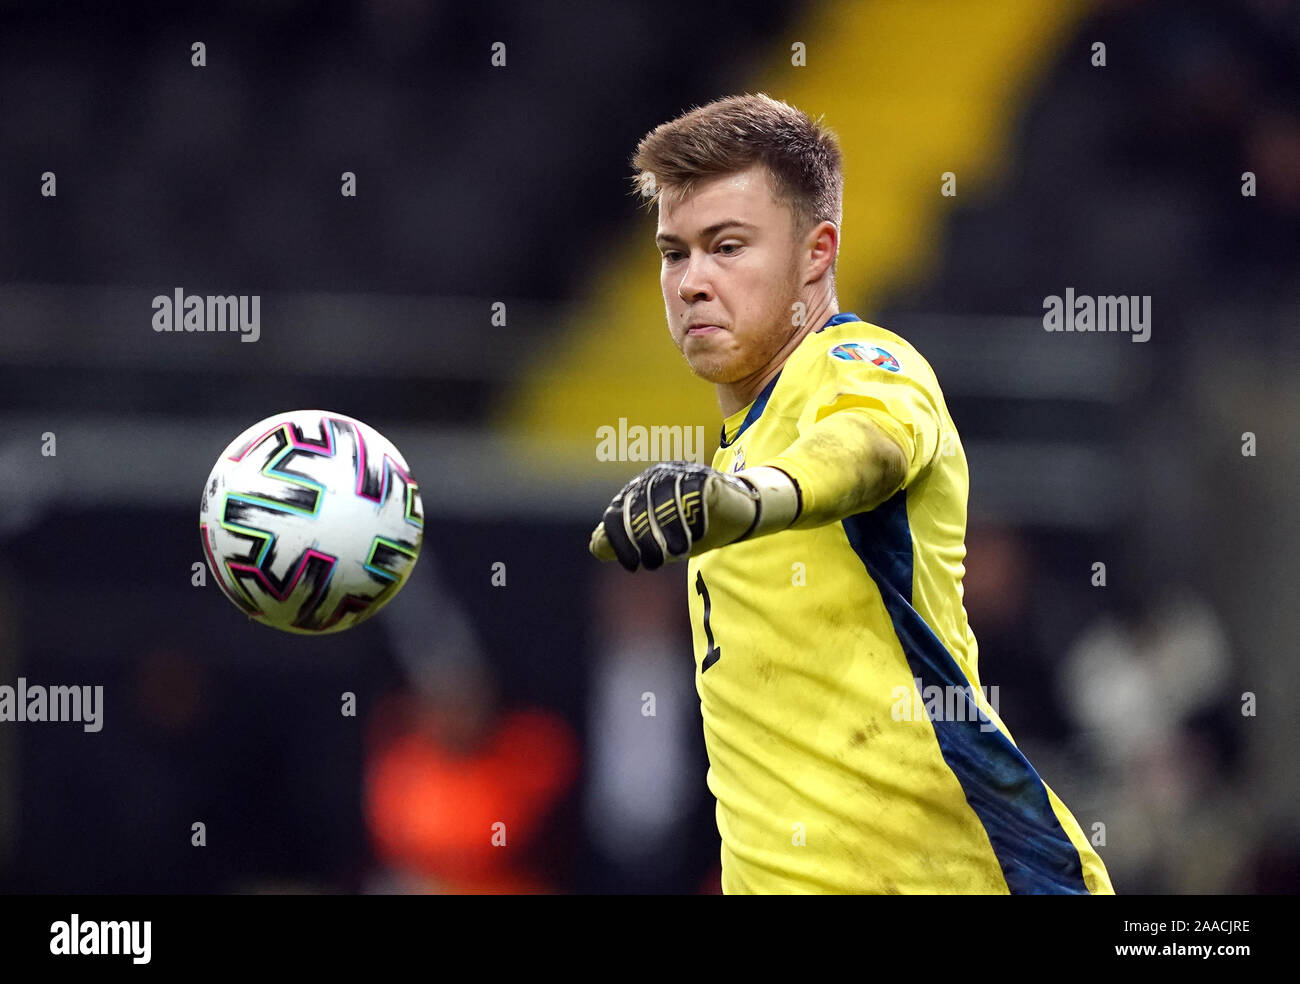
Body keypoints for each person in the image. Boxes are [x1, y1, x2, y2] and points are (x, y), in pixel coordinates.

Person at [589, 93, 1113, 895]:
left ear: (815, 253)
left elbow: (863, 449)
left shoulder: (862, 365)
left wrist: (751, 500)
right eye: (674, 252)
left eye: (727, 246)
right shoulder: (739, 447)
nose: (692, 281)